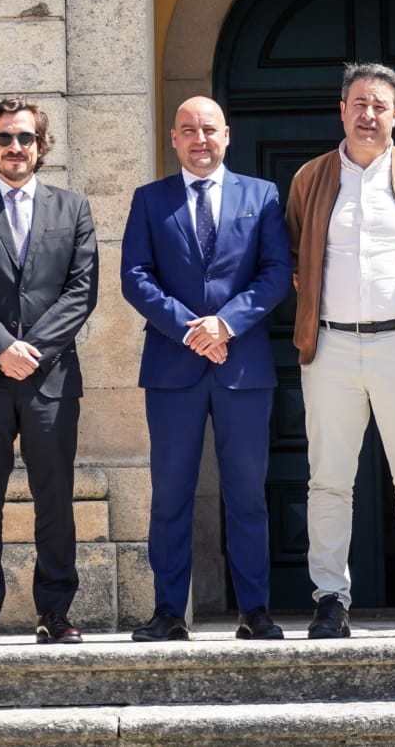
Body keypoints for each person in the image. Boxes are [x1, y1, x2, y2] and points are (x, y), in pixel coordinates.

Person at [285, 61, 395, 639]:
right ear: (341, 110)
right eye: (359, 103)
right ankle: (331, 599)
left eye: (379, 105)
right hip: (330, 345)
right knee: (329, 481)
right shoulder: (310, 178)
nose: (368, 114)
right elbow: (292, 255)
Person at [120, 96, 293, 642]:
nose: (200, 139)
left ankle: (255, 611)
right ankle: (169, 613)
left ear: (227, 135)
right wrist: (191, 329)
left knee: (247, 495)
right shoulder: (150, 200)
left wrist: (225, 325)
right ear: (174, 138)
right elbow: (135, 276)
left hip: (243, 368)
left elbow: (276, 272)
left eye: (209, 129)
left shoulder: (262, 196)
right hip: (173, 368)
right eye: (189, 130)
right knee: (170, 495)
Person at [0, 97, 98, 646]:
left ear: (40, 145)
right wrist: (2, 347)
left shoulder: (72, 208)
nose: (15, 147)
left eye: (25, 137)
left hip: (50, 380)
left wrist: (33, 350)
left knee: (55, 499)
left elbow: (81, 291)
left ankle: (55, 612)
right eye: (4, 137)